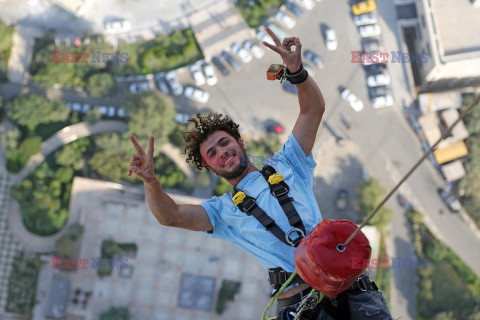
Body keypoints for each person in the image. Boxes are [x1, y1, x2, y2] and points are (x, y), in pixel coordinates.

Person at [127, 28, 392, 319]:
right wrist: (151, 182)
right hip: (302, 306)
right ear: (211, 169)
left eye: (224, 143)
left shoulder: (289, 163)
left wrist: (296, 72)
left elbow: (312, 111)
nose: (222, 153)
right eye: (212, 154)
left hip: (348, 289)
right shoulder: (223, 213)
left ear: (240, 143)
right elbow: (171, 216)